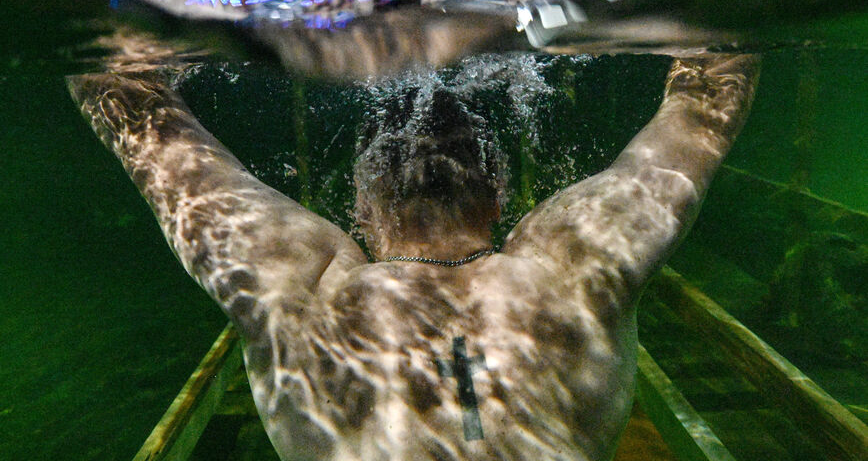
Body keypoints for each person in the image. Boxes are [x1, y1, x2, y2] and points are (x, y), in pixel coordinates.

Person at [67, 50, 759, 461]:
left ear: (362, 202)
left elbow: (138, 117)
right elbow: (706, 103)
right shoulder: (573, 262)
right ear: (496, 191)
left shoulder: (300, 287)